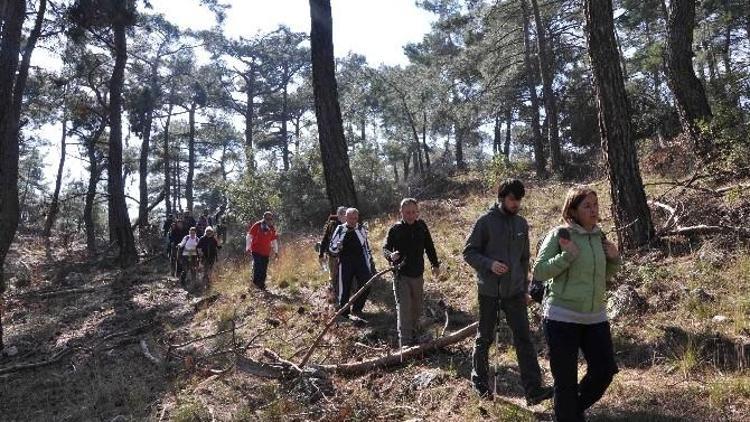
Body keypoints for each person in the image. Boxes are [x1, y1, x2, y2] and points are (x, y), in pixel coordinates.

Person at [533, 186, 621, 422]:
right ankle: (569, 414)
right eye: (587, 206)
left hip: (595, 316)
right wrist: (567, 255)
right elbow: (539, 271)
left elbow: (605, 274)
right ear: (573, 210)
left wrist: (614, 259)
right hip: (561, 317)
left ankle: (568, 411)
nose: (593, 210)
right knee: (565, 380)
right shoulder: (561, 234)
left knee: (604, 372)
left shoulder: (599, 236)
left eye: (595, 204)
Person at [463, 179, 553, 404]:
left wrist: (525, 289)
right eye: (513, 199)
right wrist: (489, 264)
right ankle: (480, 384)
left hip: (515, 292)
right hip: (489, 291)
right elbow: (469, 252)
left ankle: (533, 391)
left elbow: (524, 259)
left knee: (524, 339)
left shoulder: (522, 224)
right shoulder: (485, 222)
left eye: (519, 200)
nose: (516, 204)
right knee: (484, 338)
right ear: (502, 198)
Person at [384, 198, 440, 347]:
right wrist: (391, 255)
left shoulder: (421, 226)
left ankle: (415, 336)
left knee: (417, 306)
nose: (410, 215)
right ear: (401, 212)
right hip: (401, 275)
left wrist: (435, 264)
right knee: (404, 307)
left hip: (418, 274)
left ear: (418, 212)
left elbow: (429, 246)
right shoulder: (395, 229)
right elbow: (385, 248)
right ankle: (405, 342)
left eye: (414, 212)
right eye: (407, 212)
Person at [329, 208, 374, 318]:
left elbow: (366, 246)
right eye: (350, 218)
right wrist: (337, 246)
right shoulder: (340, 229)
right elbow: (331, 248)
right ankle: (345, 313)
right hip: (345, 262)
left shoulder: (361, 228)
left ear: (357, 218)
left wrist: (369, 262)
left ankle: (357, 308)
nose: (353, 220)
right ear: (345, 217)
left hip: (360, 261)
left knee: (366, 284)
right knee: (345, 288)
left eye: (355, 218)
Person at [319, 206, 347, 303]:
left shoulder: (350, 226)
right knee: (334, 275)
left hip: (345, 256)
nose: (345, 216)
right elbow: (325, 239)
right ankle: (334, 296)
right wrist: (321, 254)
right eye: (343, 214)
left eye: (346, 214)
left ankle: (343, 295)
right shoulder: (332, 225)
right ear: (339, 215)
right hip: (332, 256)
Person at [246, 211, 279, 290]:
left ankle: (262, 285)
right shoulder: (257, 225)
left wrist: (276, 252)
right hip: (256, 250)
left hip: (266, 252)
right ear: (264, 218)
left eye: (270, 219)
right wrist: (248, 247)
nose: (269, 220)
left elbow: (274, 241)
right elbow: (249, 236)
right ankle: (255, 284)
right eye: (267, 218)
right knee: (258, 266)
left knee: (264, 268)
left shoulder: (272, 228)